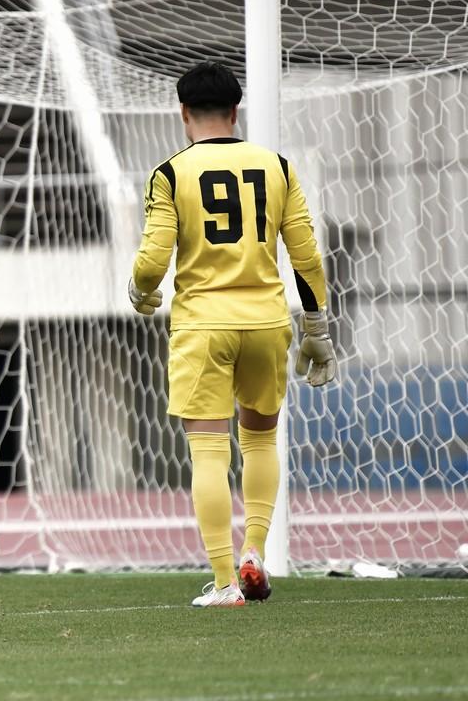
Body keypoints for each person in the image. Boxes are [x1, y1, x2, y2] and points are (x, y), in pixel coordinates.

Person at [127, 61, 336, 607]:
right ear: (235, 111)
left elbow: (152, 263)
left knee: (209, 451)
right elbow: (307, 255)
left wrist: (141, 291)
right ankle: (256, 552)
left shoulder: (171, 173)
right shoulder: (278, 168)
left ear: (183, 113)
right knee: (261, 438)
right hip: (267, 321)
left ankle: (224, 582)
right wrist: (317, 328)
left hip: (204, 325)